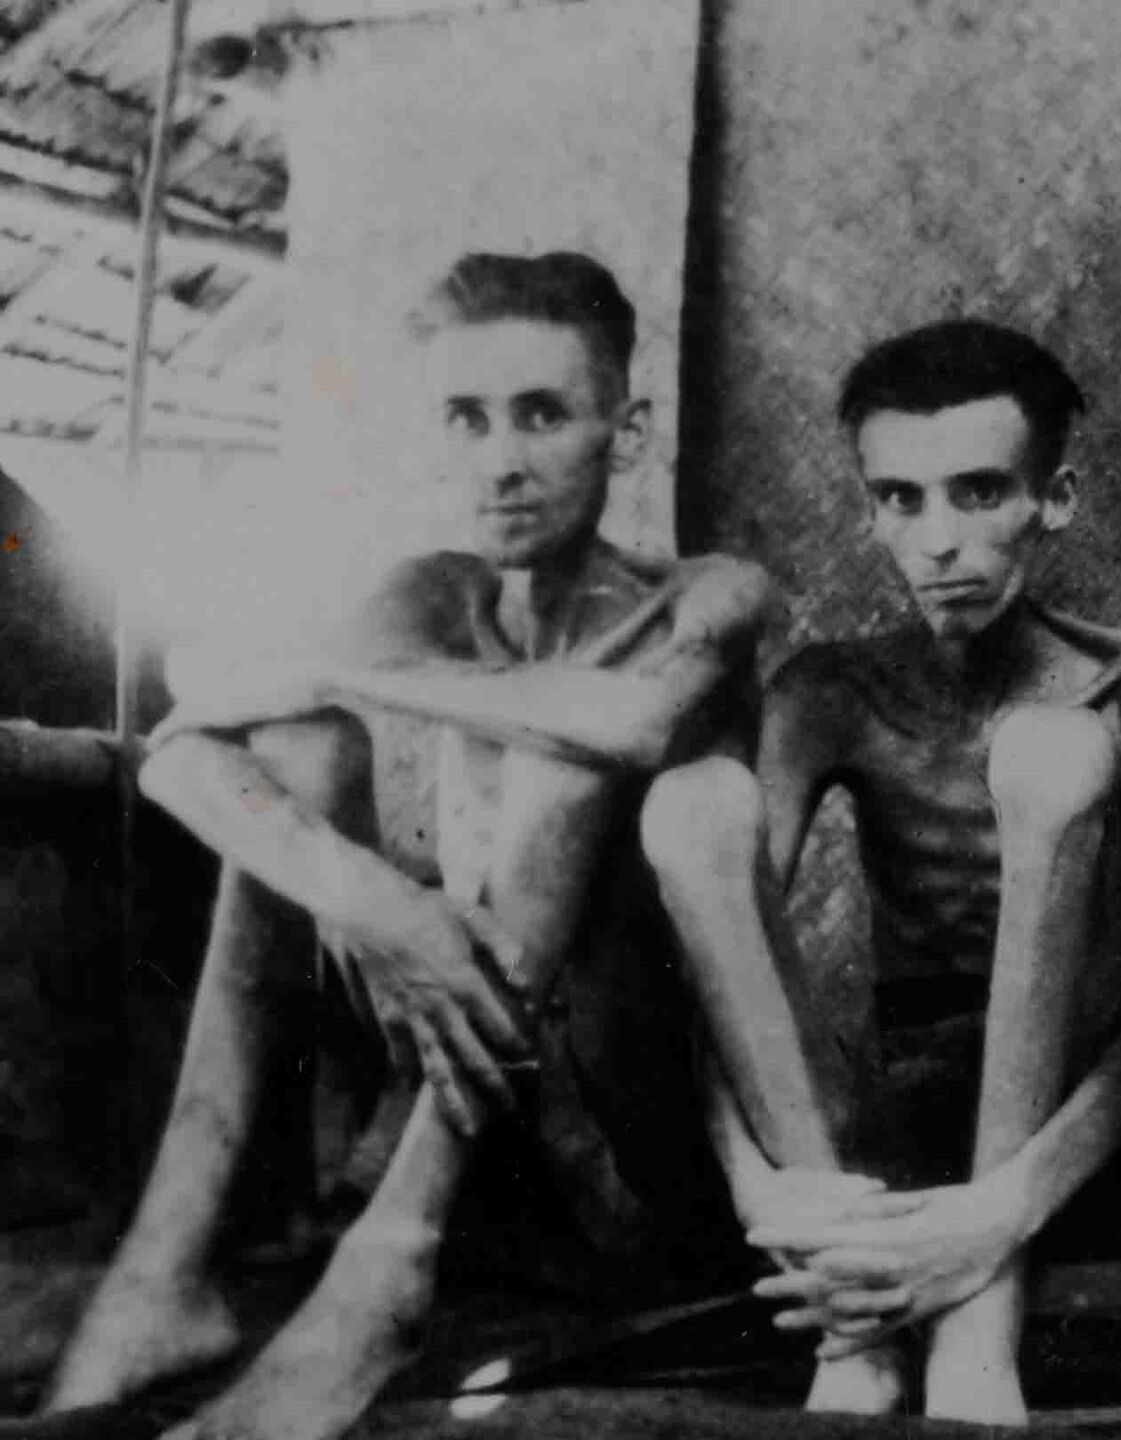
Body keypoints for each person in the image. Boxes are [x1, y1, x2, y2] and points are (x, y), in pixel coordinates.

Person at [40, 252, 771, 1440]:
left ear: (622, 432)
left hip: (626, 1155)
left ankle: (385, 1276)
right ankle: (163, 1271)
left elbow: (631, 721)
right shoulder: (426, 594)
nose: (503, 459)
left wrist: (336, 668)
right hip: (423, 1115)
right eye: (466, 419)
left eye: (543, 414)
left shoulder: (710, 591)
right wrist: (384, 907)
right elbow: (178, 750)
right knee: (307, 753)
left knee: (554, 750)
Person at [638, 320, 1121, 1423]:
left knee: (1052, 750)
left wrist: (1007, 1207)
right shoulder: (833, 691)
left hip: (1074, 1127)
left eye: (980, 493)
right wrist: (767, 1191)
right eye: (902, 499)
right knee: (696, 803)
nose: (939, 539)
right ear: (870, 510)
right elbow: (721, 971)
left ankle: (978, 1322)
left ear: (1057, 499)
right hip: (894, 1115)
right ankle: (849, 1320)